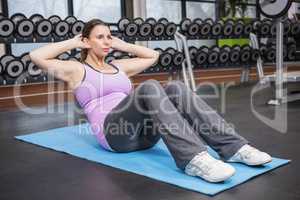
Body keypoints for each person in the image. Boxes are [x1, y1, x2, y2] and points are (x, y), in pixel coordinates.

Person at [30, 18, 272, 183]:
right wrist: (75, 41)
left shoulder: (119, 66)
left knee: (176, 87)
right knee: (149, 87)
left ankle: (234, 148)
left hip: (144, 134)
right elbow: (36, 55)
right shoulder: (76, 70)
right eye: (100, 37)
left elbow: (153, 55)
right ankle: (193, 160)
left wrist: (122, 44)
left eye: (109, 37)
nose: (107, 41)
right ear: (87, 41)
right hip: (115, 134)